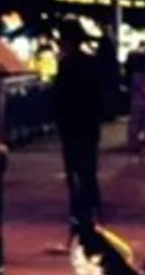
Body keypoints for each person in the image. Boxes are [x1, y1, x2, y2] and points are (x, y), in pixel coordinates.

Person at [49, 26, 115, 232]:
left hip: (71, 124)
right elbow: (100, 94)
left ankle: (78, 212)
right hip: (88, 123)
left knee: (74, 170)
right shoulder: (91, 64)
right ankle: (93, 209)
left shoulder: (66, 65)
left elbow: (59, 97)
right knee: (88, 169)